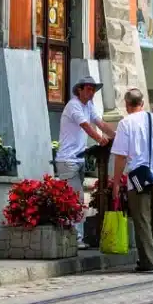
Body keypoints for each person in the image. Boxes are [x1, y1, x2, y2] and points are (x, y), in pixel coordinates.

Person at [111, 88, 153, 272]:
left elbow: (121, 156)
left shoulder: (126, 123)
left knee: (142, 218)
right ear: (143, 103)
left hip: (139, 177)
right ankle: (149, 257)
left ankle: (148, 261)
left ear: (127, 105)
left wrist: (116, 182)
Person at [55, 77, 114, 248]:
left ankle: (72, 234)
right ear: (79, 90)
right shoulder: (73, 105)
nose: (91, 92)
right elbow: (87, 126)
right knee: (75, 198)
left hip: (79, 158)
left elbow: (100, 123)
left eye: (93, 90)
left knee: (76, 199)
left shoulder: (89, 106)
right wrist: (100, 139)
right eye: (88, 89)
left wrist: (117, 136)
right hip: (68, 159)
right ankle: (76, 237)